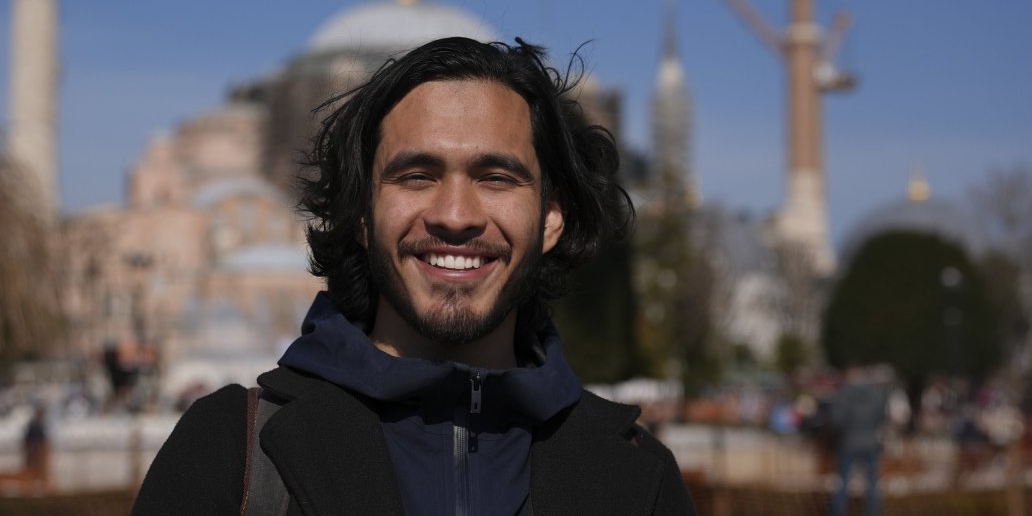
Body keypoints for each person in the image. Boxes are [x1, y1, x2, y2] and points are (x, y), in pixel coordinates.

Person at [133, 37, 696, 515]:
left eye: (497, 177)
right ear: (359, 212)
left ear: (551, 218)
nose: (455, 216)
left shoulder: (636, 479)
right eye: (416, 175)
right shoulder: (232, 453)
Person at [828, 365, 889, 516]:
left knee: (843, 482)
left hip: (849, 443)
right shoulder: (876, 394)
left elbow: (837, 421)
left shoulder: (844, 394)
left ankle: (838, 512)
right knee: (872, 484)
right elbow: (882, 417)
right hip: (870, 443)